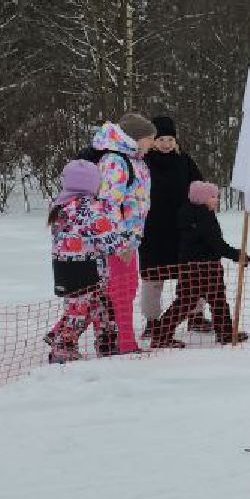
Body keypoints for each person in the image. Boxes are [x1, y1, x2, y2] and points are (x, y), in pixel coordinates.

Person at [83, 115, 155, 355]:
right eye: (148, 139)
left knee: (127, 287)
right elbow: (108, 205)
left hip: (130, 238)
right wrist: (118, 242)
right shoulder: (116, 161)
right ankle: (123, 341)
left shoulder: (136, 160)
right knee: (121, 288)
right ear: (135, 139)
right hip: (118, 240)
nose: (151, 144)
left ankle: (118, 338)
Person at [44, 159, 129, 362]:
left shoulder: (61, 206)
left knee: (98, 305)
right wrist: (120, 248)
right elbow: (104, 232)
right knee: (82, 309)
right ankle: (63, 348)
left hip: (65, 267)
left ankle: (107, 344)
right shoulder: (88, 208)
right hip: (87, 268)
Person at [149, 181, 250, 348]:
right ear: (202, 199)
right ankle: (162, 335)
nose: (216, 200)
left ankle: (223, 332)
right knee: (206, 301)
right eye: (212, 197)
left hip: (190, 266)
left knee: (195, 301)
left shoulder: (189, 213)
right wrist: (237, 255)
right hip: (205, 267)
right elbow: (215, 243)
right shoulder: (203, 217)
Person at [139, 114, 212, 336]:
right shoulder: (143, 162)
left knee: (192, 274)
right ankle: (152, 322)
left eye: (170, 139)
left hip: (184, 230)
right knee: (153, 279)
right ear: (153, 140)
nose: (166, 144)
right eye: (161, 139)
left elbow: (199, 187)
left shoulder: (185, 161)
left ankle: (196, 316)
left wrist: (208, 201)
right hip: (153, 231)